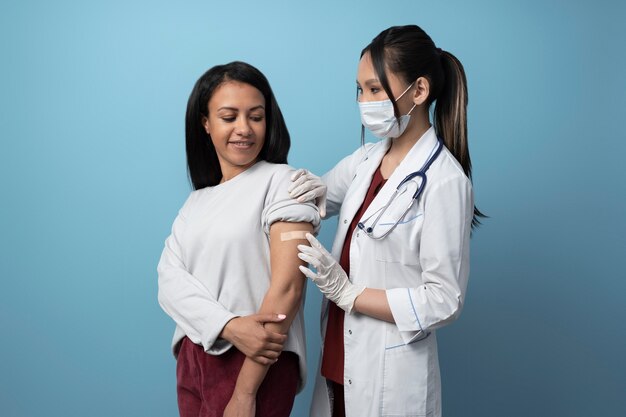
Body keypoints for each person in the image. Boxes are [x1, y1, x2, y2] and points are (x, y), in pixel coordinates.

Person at [289, 25, 484, 417]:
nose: (364, 101)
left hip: (389, 378)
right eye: (360, 90)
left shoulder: (445, 181)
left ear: (419, 91)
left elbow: (445, 299)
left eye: (375, 89)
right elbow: (315, 199)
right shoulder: (365, 160)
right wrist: (288, 188)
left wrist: (350, 294)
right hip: (338, 365)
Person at [157, 61, 320, 417]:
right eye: (229, 117)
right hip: (194, 355)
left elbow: (287, 290)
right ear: (206, 123)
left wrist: (245, 393)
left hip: (256, 363)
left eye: (256, 116)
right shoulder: (196, 202)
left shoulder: (285, 184)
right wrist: (229, 326)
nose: (244, 129)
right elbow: (169, 282)